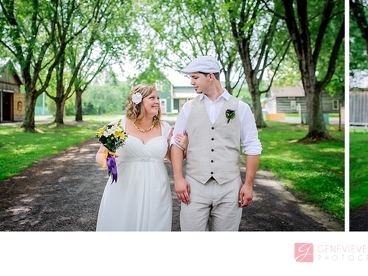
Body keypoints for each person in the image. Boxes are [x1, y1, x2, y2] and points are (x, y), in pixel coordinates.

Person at [170, 56, 262, 231]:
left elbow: (252, 146)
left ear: (210, 76)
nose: (191, 82)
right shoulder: (188, 108)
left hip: (229, 187)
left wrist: (248, 185)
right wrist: (179, 179)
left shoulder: (241, 108)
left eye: (195, 77)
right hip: (194, 187)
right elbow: (176, 144)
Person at [95, 84, 187, 231]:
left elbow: (173, 158)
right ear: (138, 101)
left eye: (158, 98)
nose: (157, 101)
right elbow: (100, 154)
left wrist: (184, 146)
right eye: (152, 98)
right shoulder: (118, 124)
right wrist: (108, 161)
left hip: (157, 187)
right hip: (125, 185)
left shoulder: (165, 128)